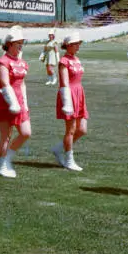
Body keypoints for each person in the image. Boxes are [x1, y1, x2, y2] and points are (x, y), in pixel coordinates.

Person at [0, 25, 30, 178]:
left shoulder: (21, 62)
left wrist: (24, 103)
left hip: (19, 99)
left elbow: (23, 83)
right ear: (9, 44)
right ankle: (1, 165)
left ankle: (7, 158)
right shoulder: (2, 62)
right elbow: (5, 84)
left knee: (26, 132)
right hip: (5, 101)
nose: (21, 45)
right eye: (18, 42)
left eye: (22, 42)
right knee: (6, 136)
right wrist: (13, 103)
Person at [50, 32, 88, 171]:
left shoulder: (76, 59)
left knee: (82, 129)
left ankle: (59, 148)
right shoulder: (63, 61)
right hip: (69, 94)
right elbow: (64, 82)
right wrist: (67, 102)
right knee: (70, 130)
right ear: (69, 45)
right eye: (76, 44)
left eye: (79, 44)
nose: (78, 46)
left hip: (79, 94)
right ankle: (69, 159)